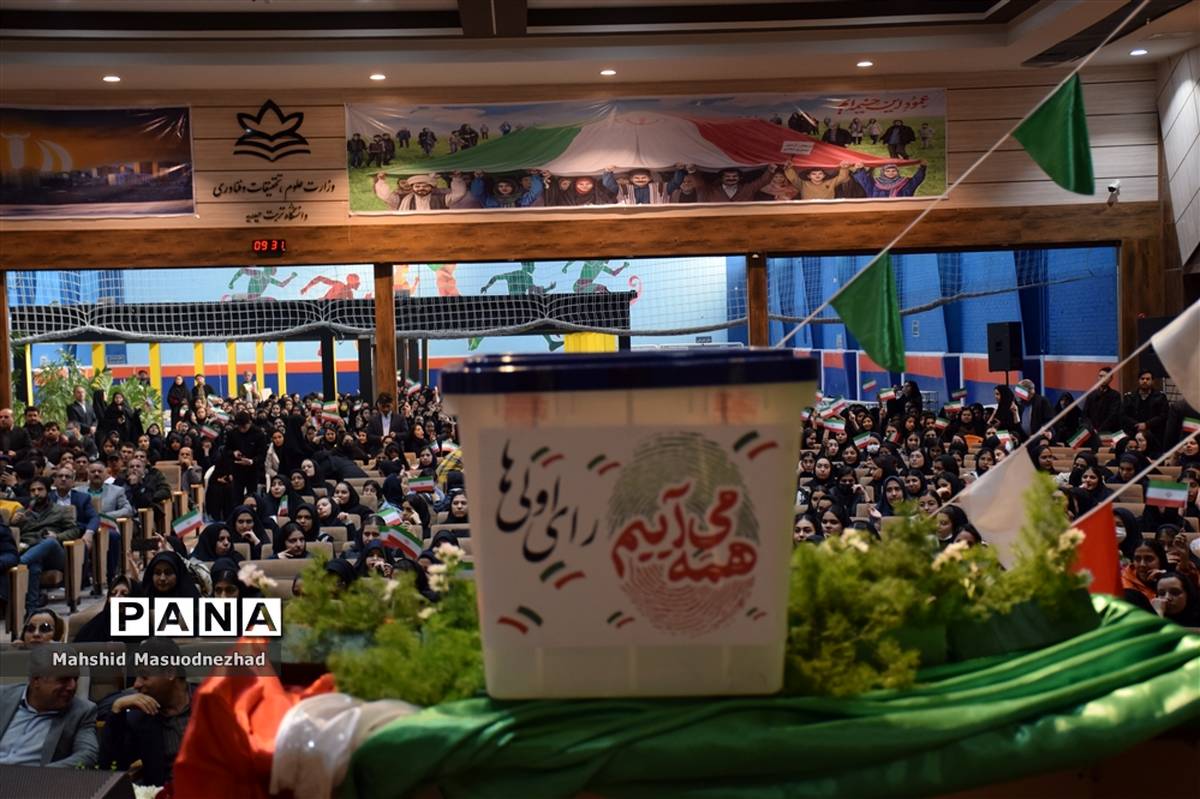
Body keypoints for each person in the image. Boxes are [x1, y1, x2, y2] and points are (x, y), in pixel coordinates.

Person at [98, 638, 193, 786]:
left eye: (144, 676)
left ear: (169, 672)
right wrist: (117, 709)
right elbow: (110, 767)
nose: (136, 684)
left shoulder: (211, 703)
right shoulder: (140, 718)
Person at [0, 646, 98, 767]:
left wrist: (43, 774)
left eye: (75, 679)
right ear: (36, 680)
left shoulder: (81, 712)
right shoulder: (3, 697)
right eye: (63, 679)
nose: (72, 686)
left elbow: (87, 755)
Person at [14, 476, 80, 609]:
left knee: (50, 542)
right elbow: (12, 535)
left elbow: (75, 530)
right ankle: (31, 608)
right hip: (31, 550)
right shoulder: (22, 512)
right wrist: (14, 523)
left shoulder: (60, 510)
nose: (36, 493)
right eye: (33, 490)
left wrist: (58, 536)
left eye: (40, 489)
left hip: (54, 555)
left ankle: (19, 563)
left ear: (48, 491)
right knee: (34, 566)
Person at [1122, 370, 1168, 444]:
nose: (1145, 381)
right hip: (1133, 433)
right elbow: (1124, 415)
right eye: (1142, 379)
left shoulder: (1160, 397)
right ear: (1138, 380)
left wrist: (1147, 424)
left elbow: (1163, 415)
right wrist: (1137, 425)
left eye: (1148, 379)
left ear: (1152, 381)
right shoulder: (1129, 396)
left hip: (1154, 433)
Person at [1122, 540, 1168, 610]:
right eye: (1137, 559)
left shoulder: (1169, 577)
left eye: (1149, 559)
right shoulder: (1124, 585)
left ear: (1161, 560)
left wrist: (1164, 579)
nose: (1142, 564)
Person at [1083, 367, 1123, 442]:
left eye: (1105, 376)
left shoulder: (1115, 395)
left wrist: (1100, 430)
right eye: (1100, 376)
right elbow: (1085, 415)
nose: (1102, 378)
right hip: (1092, 431)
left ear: (1111, 379)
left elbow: (1113, 415)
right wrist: (1091, 429)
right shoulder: (1091, 395)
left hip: (1108, 431)